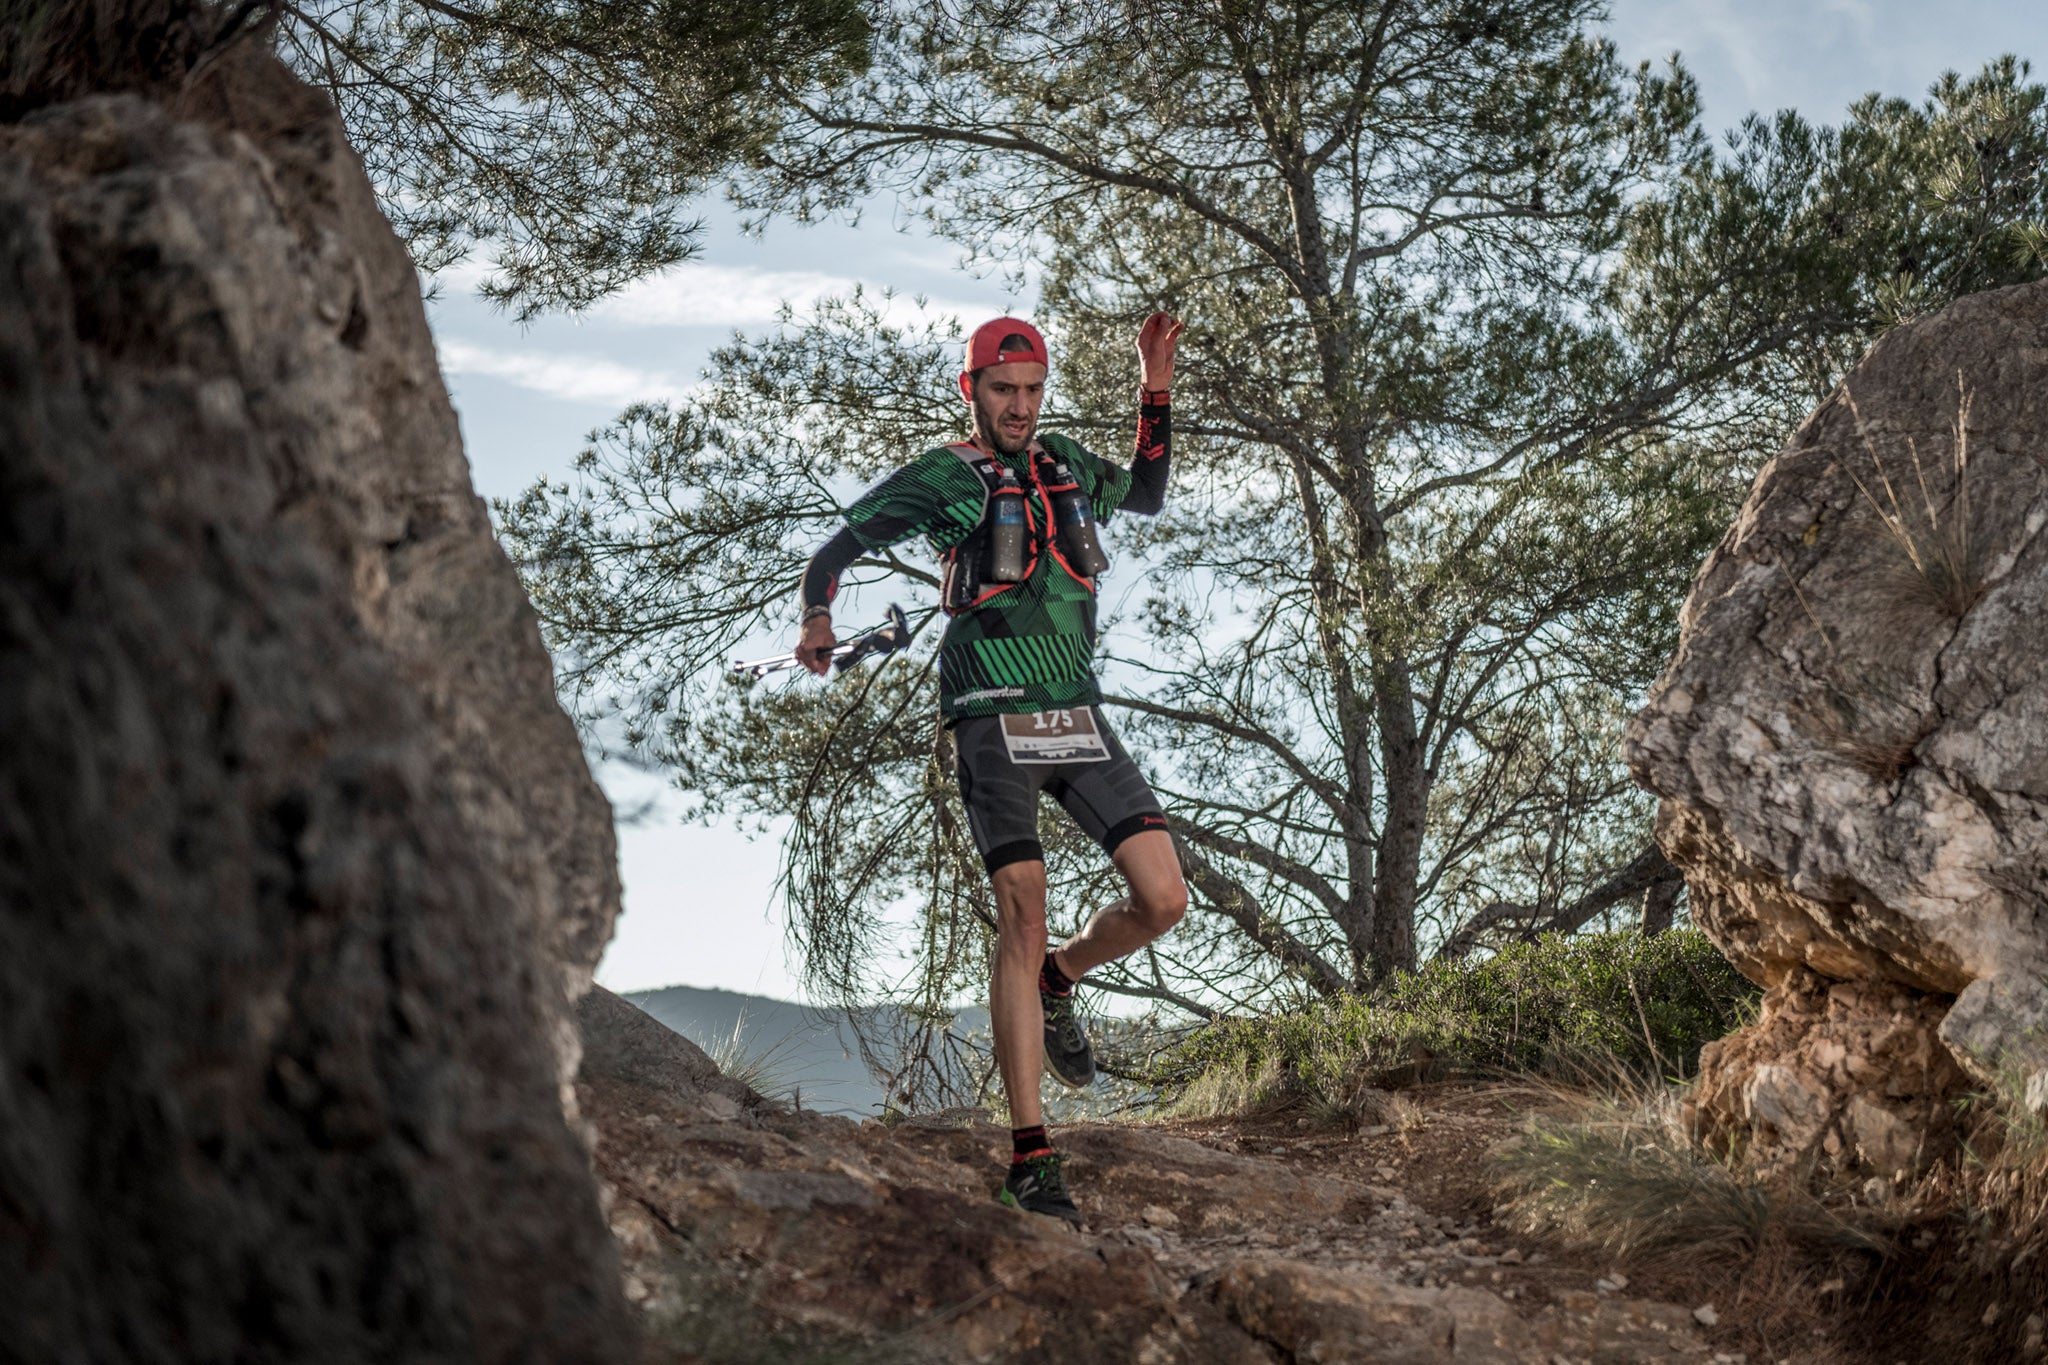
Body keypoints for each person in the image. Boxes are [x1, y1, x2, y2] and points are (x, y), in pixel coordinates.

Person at [793, 313, 1188, 1224]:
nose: (1019, 406)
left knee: (1164, 898)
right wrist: (819, 615)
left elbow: (1150, 493)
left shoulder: (1069, 464)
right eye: (1003, 390)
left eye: (1031, 390)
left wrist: (1154, 387)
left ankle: (1061, 978)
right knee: (1022, 905)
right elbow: (839, 547)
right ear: (971, 389)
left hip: (1075, 714)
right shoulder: (946, 475)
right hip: (989, 714)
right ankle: (1032, 1156)